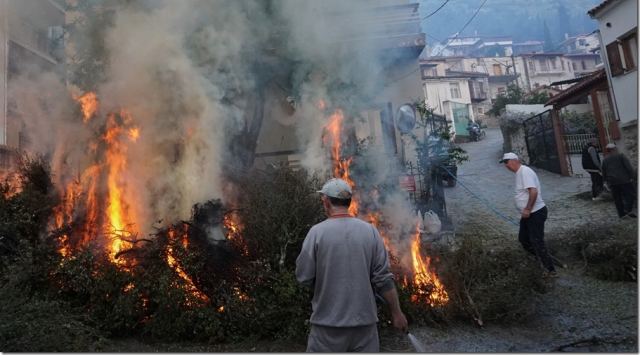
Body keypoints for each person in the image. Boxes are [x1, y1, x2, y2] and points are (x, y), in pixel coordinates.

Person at [296, 178, 408, 352]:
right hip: (365, 328)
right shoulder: (369, 231)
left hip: (327, 328)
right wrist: (397, 313)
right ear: (349, 202)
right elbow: (384, 279)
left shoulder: (316, 233)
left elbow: (303, 276)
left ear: (326, 202)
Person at [499, 153, 556, 277]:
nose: (506, 165)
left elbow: (533, 191)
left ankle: (550, 269)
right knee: (524, 239)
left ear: (515, 161)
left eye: (506, 162)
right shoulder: (519, 173)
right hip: (529, 214)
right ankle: (543, 259)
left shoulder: (525, 171)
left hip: (535, 212)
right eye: (504, 163)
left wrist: (528, 209)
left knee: (536, 241)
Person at [601, 143, 637, 218]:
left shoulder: (605, 159)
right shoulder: (621, 156)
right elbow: (629, 167)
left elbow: (603, 171)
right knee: (630, 194)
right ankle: (627, 210)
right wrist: (632, 177)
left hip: (612, 182)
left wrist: (605, 181)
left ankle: (621, 214)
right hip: (624, 180)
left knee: (617, 199)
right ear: (614, 149)